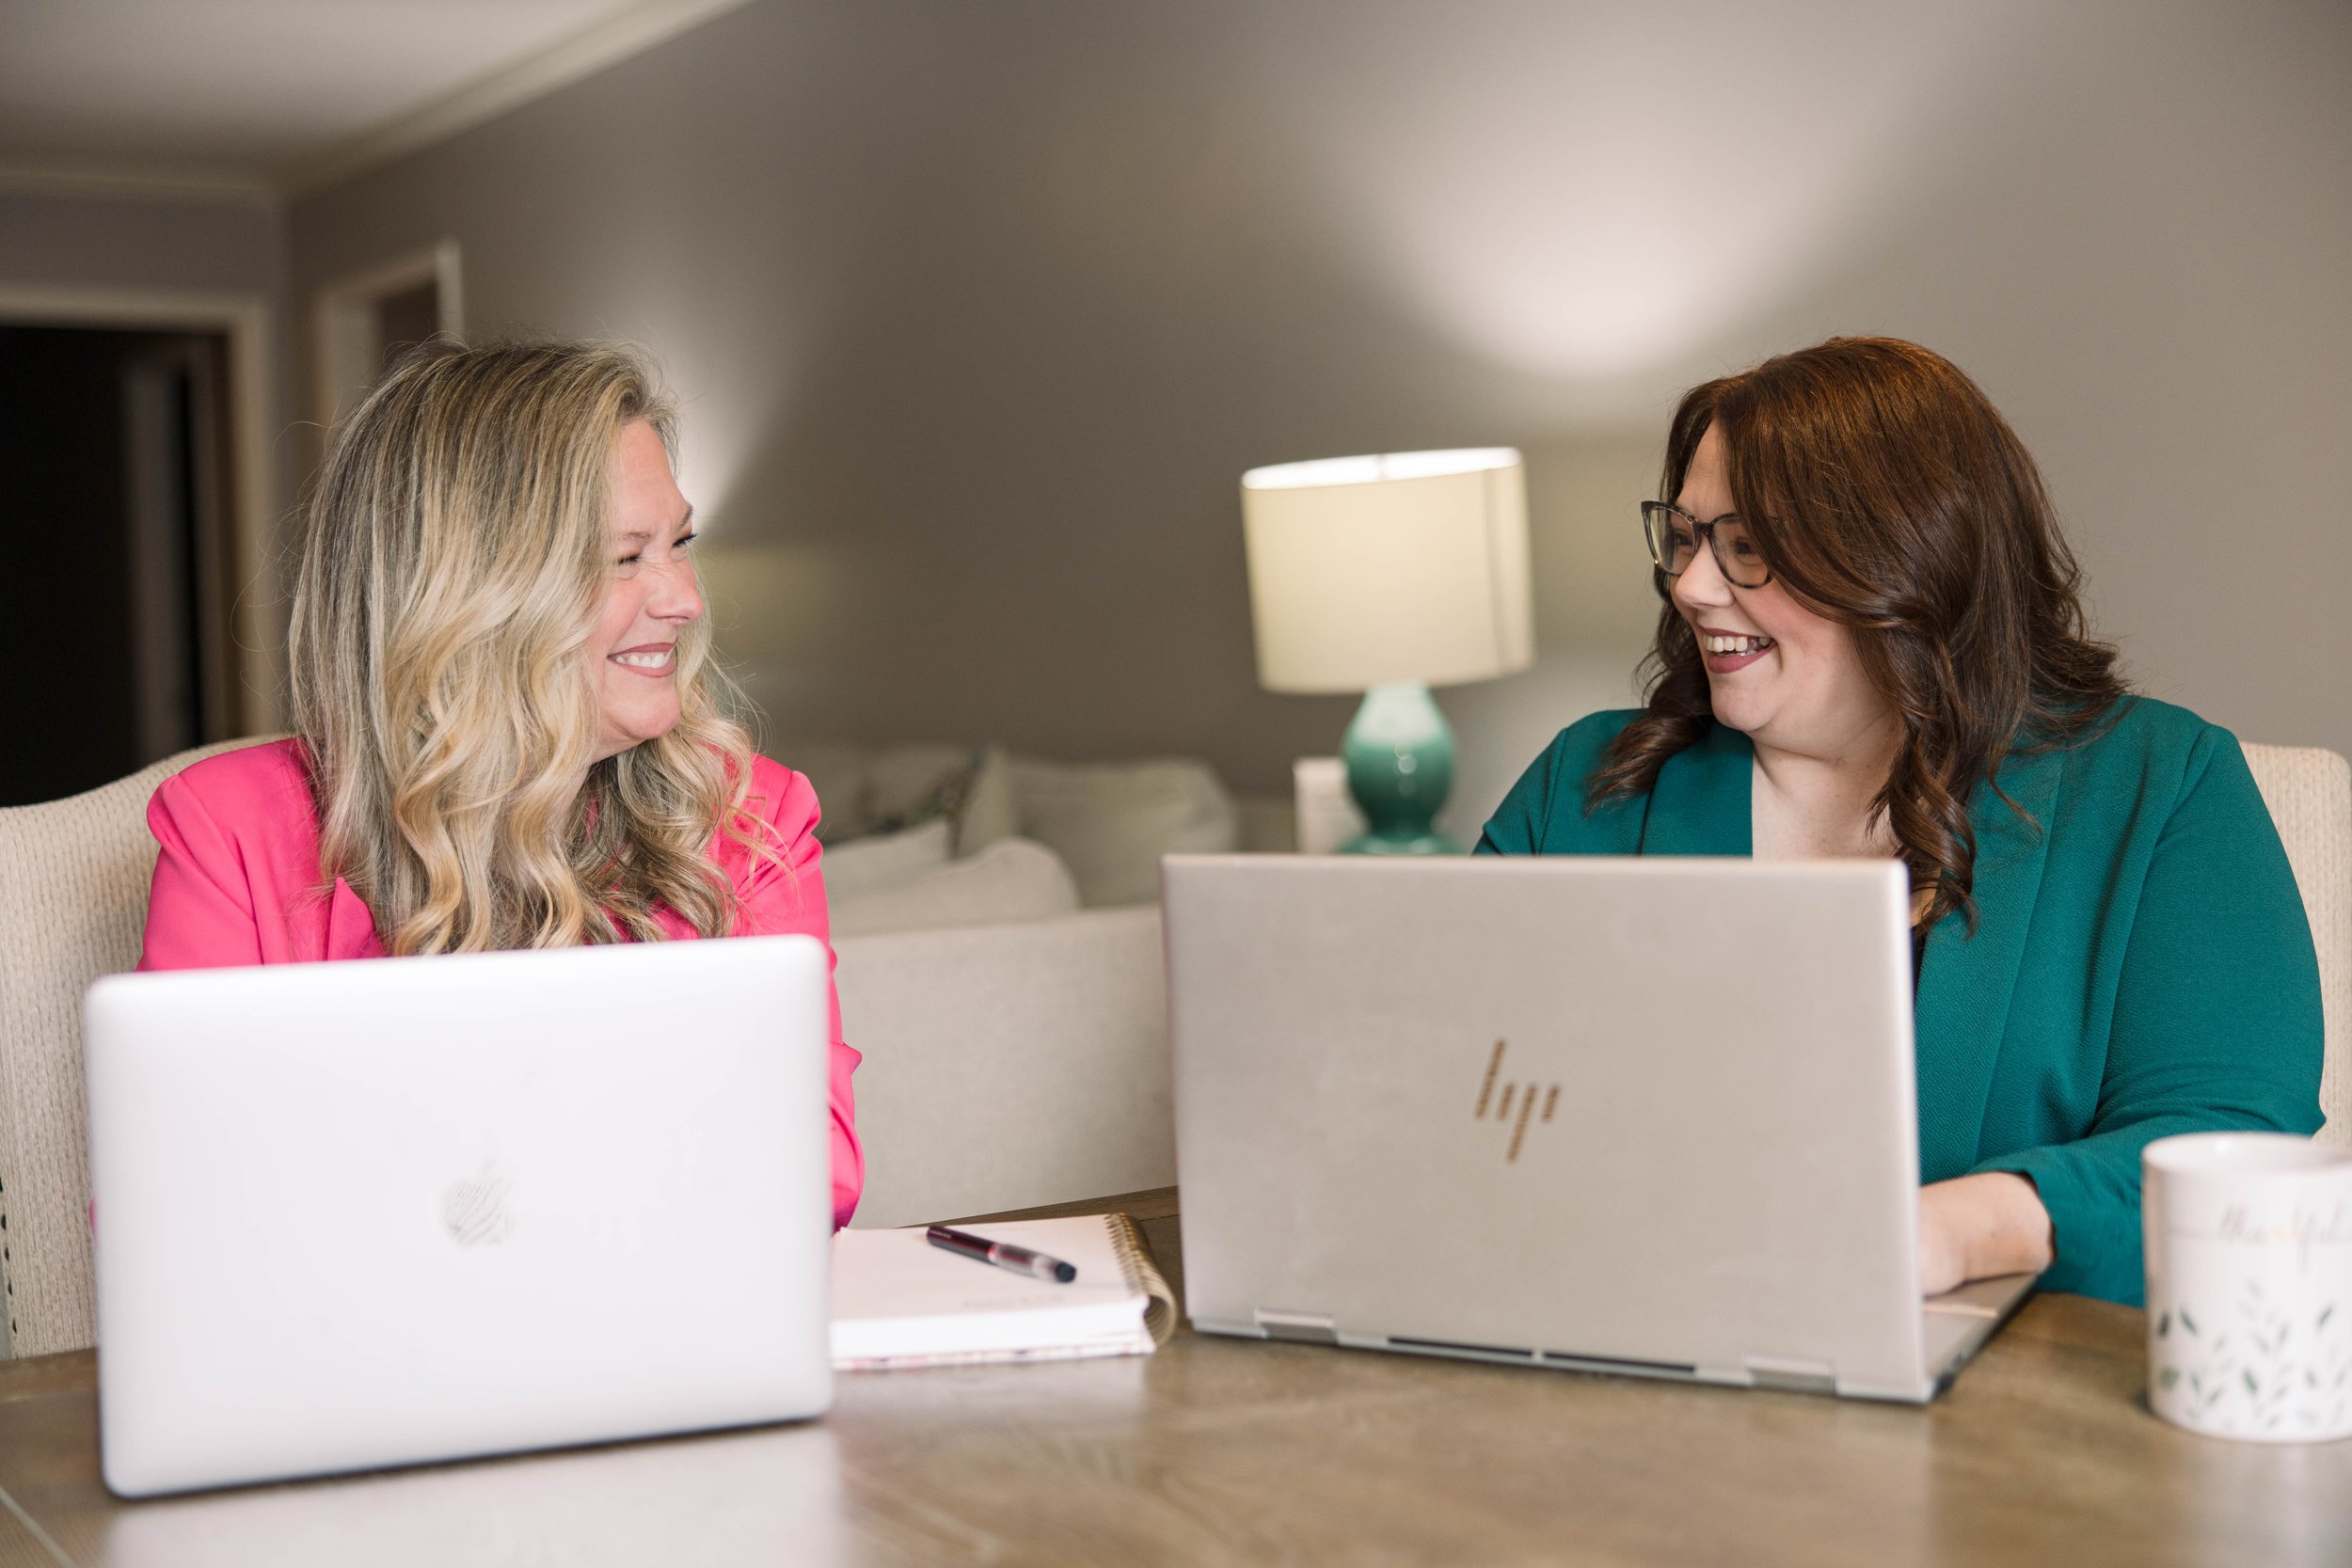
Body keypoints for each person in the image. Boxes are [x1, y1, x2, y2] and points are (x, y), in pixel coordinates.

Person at [1477, 337, 2320, 1304]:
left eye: (1746, 545)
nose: (1691, 586)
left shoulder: (2159, 783)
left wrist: (1951, 1230)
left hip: (2013, 1404)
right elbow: (1438, 1080)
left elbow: (2231, 1135)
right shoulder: (1587, 786)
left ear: (1907, 556)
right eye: (1687, 535)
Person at [137, 341, 863, 1229]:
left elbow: (811, 1174)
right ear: (469, 596)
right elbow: (177, 1213)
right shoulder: (230, 831)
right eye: (625, 557)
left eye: (680, 544)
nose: (685, 599)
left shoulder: (752, 818)